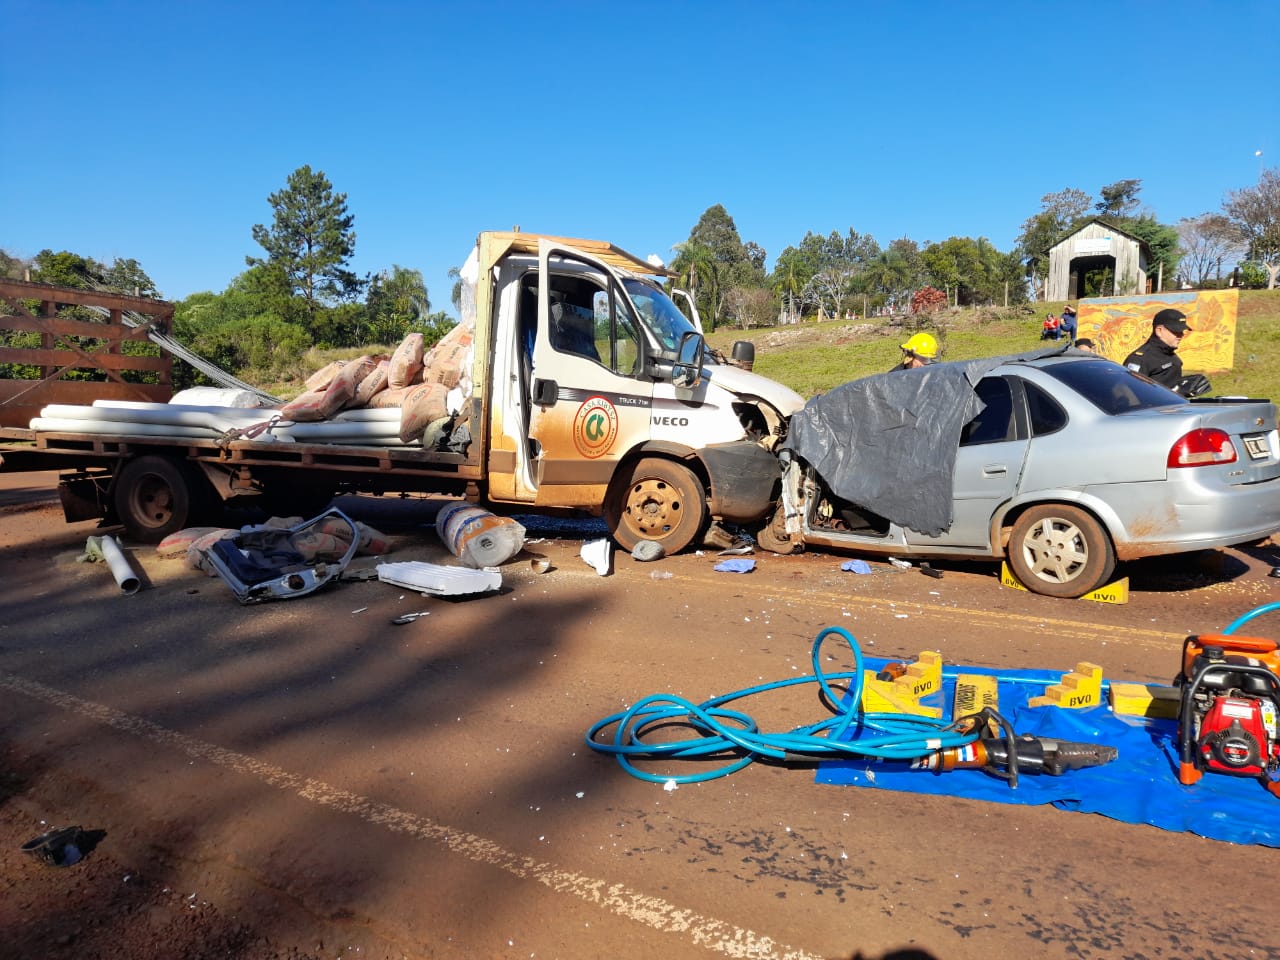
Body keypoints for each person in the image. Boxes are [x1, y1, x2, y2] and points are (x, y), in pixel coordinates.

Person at [1123, 308, 1191, 389]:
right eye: (1176, 331)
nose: (1181, 335)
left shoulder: (1170, 355)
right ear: (1159, 331)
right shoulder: (1140, 359)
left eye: (1182, 331)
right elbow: (1131, 391)